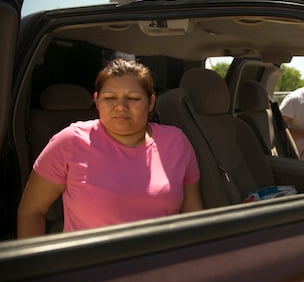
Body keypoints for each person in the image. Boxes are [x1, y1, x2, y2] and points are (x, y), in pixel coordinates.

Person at [17, 58, 202, 237]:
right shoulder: (70, 142)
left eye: (133, 98)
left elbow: (193, 217)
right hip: (92, 266)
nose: (121, 107)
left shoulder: (176, 142)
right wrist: (37, 266)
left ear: (151, 102)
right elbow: (31, 212)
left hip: (164, 264)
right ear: (96, 101)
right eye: (110, 98)